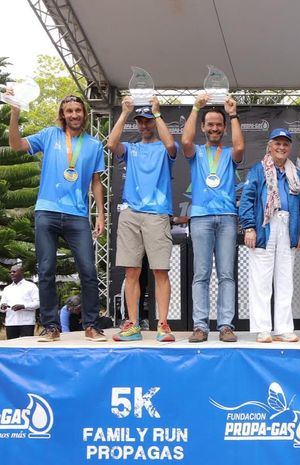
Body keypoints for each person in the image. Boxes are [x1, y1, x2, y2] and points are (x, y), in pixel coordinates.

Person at [8, 94, 106, 342]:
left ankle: (92, 325)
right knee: (46, 269)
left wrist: (101, 214)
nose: (74, 115)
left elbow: (96, 182)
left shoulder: (94, 144)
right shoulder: (50, 135)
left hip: (77, 215)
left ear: (84, 114)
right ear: (63, 114)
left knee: (88, 270)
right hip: (47, 210)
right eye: (69, 111)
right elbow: (16, 145)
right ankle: (51, 327)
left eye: (78, 110)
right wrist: (15, 112)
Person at [107, 97, 178, 342]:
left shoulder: (164, 149)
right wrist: (125, 113)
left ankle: (163, 325)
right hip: (130, 213)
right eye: (141, 122)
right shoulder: (131, 148)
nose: (144, 125)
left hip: (157, 213)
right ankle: (133, 325)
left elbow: (171, 146)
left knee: (160, 271)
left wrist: (157, 113)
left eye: (148, 121)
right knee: (131, 272)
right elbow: (111, 143)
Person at [181, 94, 244, 343]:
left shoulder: (229, 153)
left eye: (219, 124)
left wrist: (233, 114)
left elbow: (240, 148)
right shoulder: (196, 152)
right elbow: (185, 139)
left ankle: (226, 326)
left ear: (224, 128)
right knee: (201, 274)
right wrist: (196, 107)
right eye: (210, 124)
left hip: (227, 217)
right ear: (204, 127)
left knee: (226, 274)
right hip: (200, 218)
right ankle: (200, 326)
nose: (214, 128)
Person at [239, 128, 300, 342]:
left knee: (285, 279)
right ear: (270, 146)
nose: (281, 147)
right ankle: (262, 328)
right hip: (264, 226)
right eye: (277, 143)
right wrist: (249, 227)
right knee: (261, 280)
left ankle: (284, 328)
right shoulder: (259, 170)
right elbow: (247, 200)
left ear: (290, 148)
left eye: (285, 144)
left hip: (289, 225)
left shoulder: (296, 174)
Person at [0, 265, 39, 339]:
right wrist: (2, 306)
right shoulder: (7, 289)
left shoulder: (31, 286)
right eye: (10, 272)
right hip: (11, 323)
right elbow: (1, 307)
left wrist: (23, 306)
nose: (11, 273)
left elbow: (38, 303)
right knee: (12, 347)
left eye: (14, 272)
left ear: (21, 272)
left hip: (26, 323)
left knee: (26, 347)